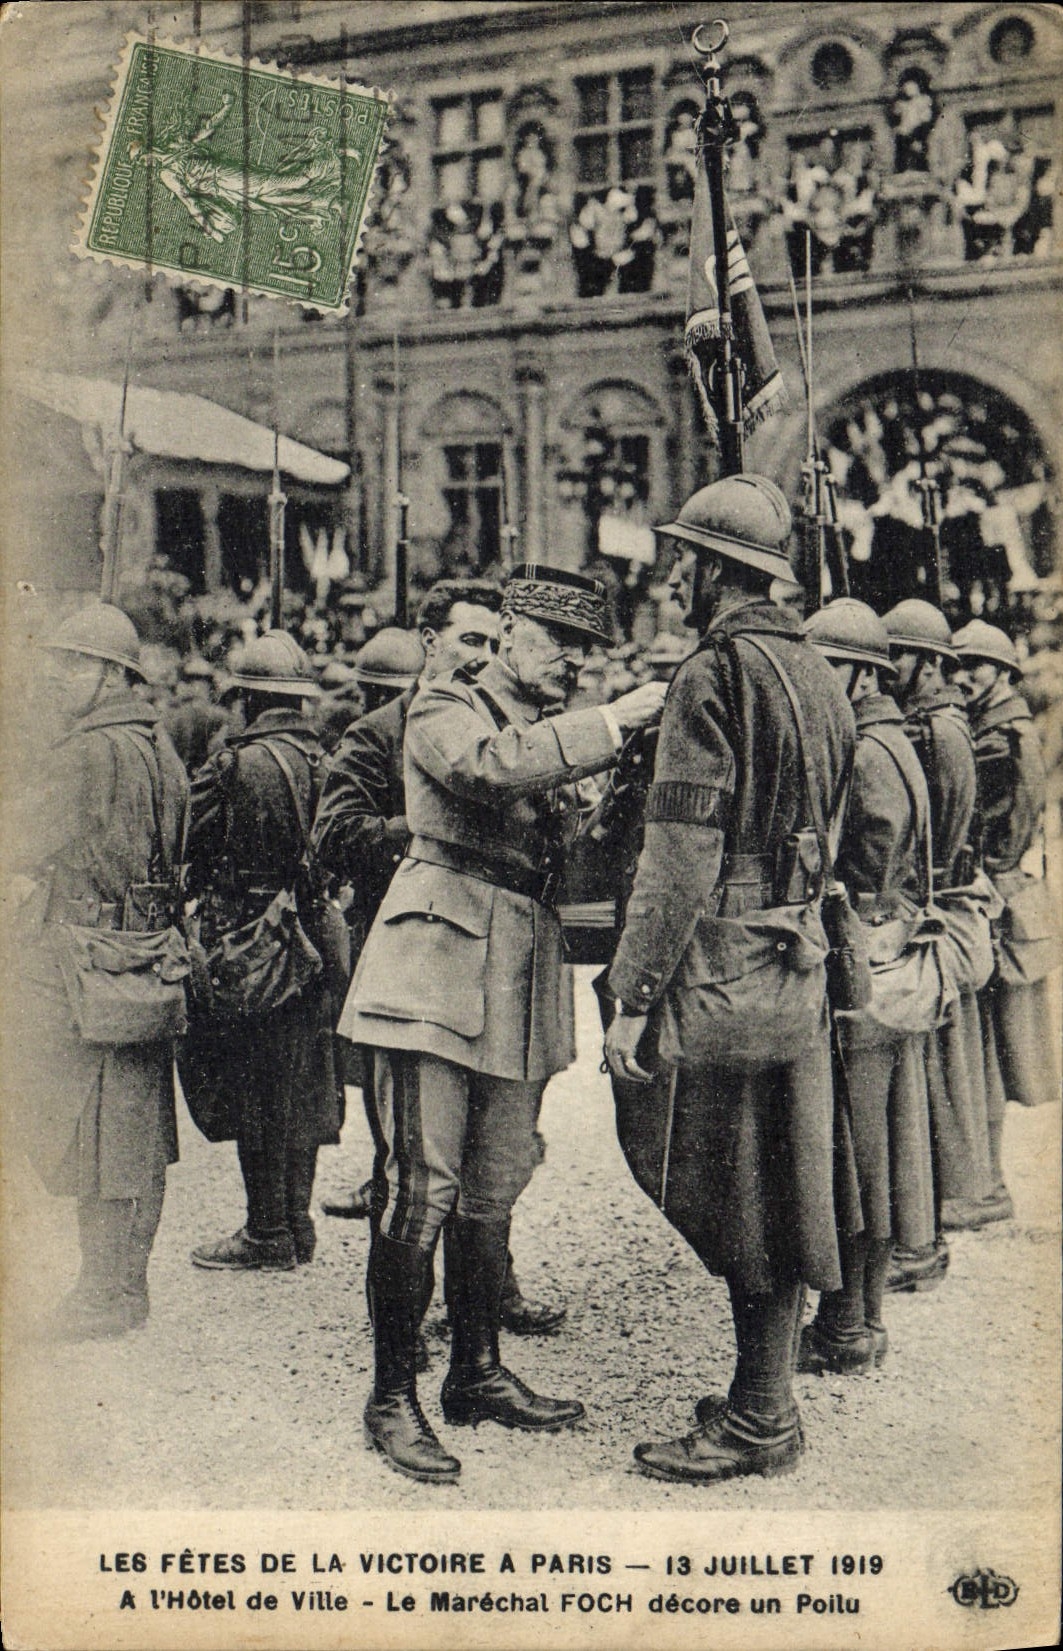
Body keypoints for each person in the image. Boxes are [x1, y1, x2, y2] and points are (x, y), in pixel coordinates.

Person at [340, 564, 666, 1482]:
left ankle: (475, 1371)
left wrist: (630, 776)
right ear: (512, 633)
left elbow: (584, 853)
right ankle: (391, 1394)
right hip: (432, 962)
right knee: (420, 1184)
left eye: (590, 652)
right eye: (561, 642)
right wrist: (615, 721)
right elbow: (486, 773)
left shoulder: (540, 730)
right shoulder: (446, 701)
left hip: (519, 961)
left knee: (493, 1183)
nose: (576, 662)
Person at [604, 475, 855, 1484]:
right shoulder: (819, 670)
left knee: (731, 1183)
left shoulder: (710, 675)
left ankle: (760, 1417)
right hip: (792, 954)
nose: (675, 575)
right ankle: (764, 1399)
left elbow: (678, 854)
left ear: (713, 570)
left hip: (719, 964)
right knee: (784, 1176)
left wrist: (631, 993)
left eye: (686, 560)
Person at [11, 603, 189, 1339]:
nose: (58, 675)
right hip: (148, 954)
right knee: (137, 1126)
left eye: (75, 663)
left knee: (94, 1126)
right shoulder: (156, 741)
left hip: (87, 961)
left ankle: (104, 1293)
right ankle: (124, 1285)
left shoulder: (85, 752)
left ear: (114, 673)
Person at [800, 600, 940, 1372]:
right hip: (887, 951)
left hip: (861, 956)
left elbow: (868, 857)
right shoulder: (893, 735)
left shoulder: (861, 746)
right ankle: (860, 1317)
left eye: (824, 665)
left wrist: (845, 911)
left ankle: (846, 1325)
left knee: (851, 1151)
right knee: (873, 1144)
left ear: (858, 673)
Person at [184, 631, 342, 1272]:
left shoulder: (234, 765)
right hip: (314, 938)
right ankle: (296, 1223)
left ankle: (265, 1230)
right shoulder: (326, 762)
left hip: (250, 942)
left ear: (248, 698)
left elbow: (186, 841)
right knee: (302, 1080)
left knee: (252, 1083)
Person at [883, 599, 995, 1285]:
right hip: (941, 905)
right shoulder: (944, 724)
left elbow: (932, 842)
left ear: (927, 663)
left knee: (917, 1088)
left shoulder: (933, 732)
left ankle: (915, 1241)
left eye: (896, 656)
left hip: (930, 912)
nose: (885, 668)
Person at [951, 620, 1061, 1220]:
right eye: (958, 665)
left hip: (998, 902)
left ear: (1003, 674)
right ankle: (982, 1182)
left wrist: (982, 879)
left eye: (976, 667)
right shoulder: (998, 725)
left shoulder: (1004, 735)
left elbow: (1007, 823)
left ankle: (986, 1187)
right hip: (1003, 897)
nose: (963, 676)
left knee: (988, 1047)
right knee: (989, 1046)